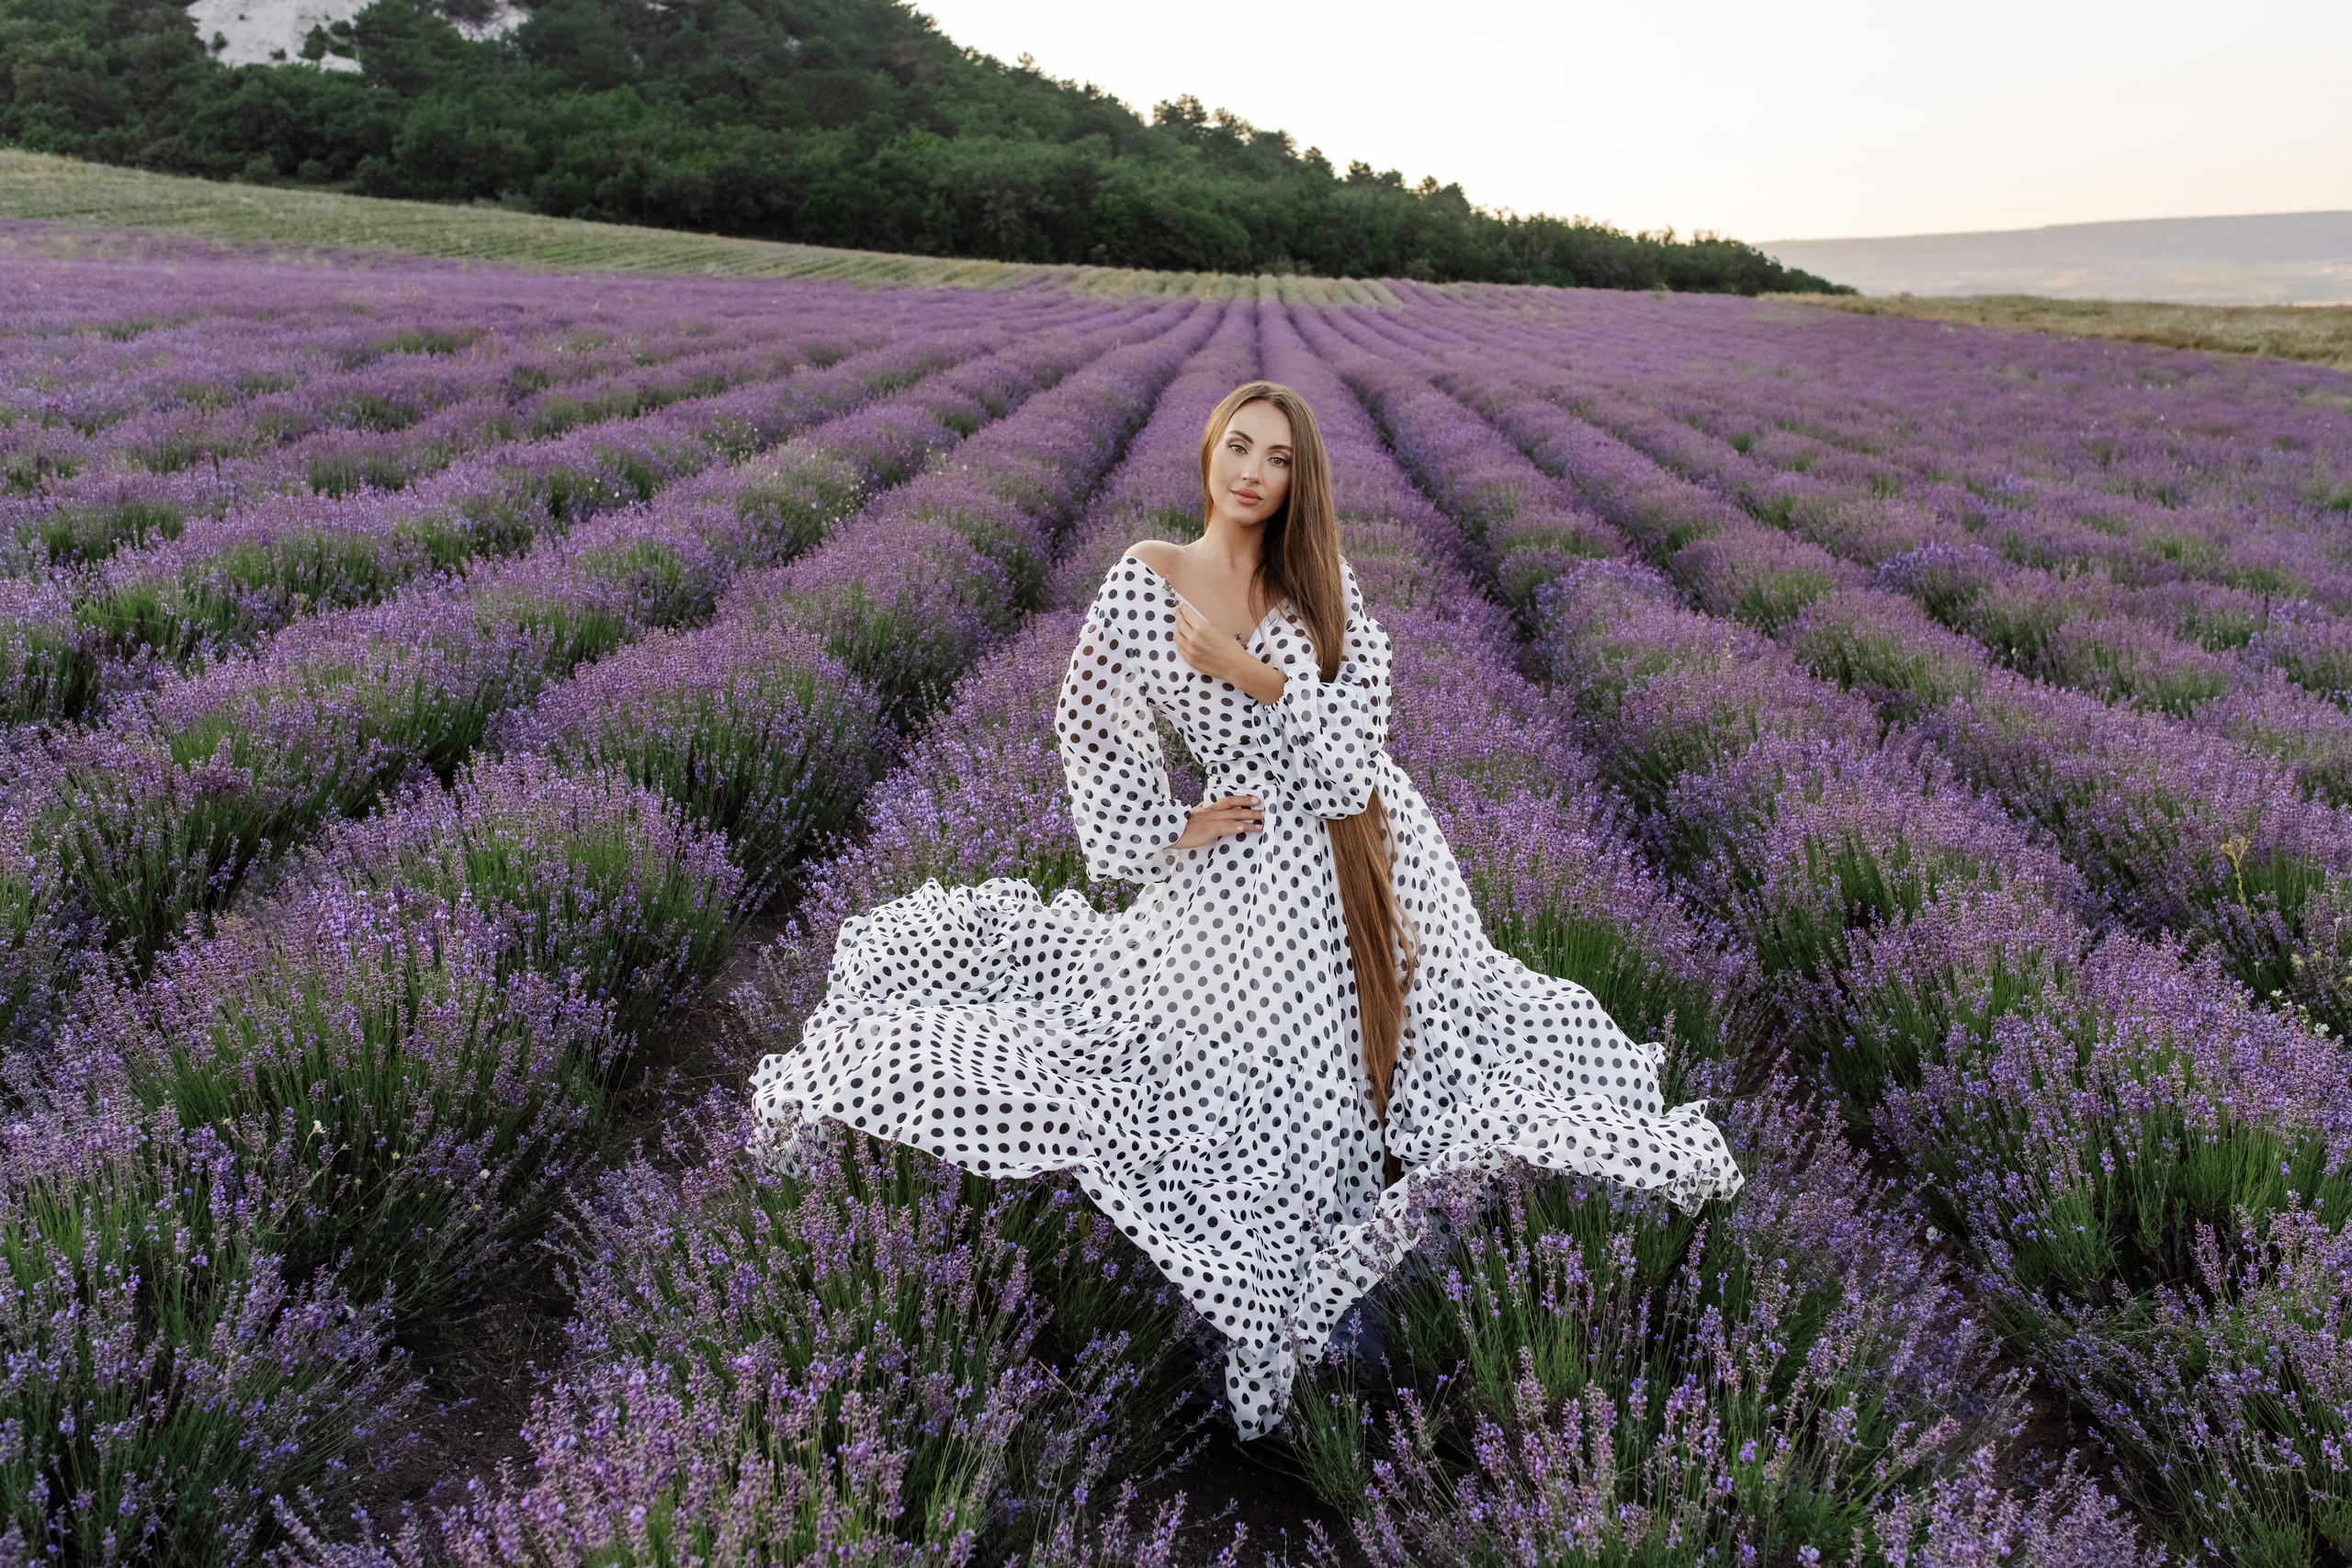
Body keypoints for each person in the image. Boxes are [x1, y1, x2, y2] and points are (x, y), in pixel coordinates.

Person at [747, 380, 1746, 1439]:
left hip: (1375, 862)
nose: (1253, 473)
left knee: (1417, 1061)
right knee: (1213, 1077)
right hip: (1242, 875)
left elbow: (1355, 756)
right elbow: (1089, 724)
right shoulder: (1147, 580)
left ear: (1296, 480)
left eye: (1277, 459)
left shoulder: (1320, 585)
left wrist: (1255, 676)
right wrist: (1164, 830)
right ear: (1208, 451)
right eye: (1239, 447)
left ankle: (1380, 1189)